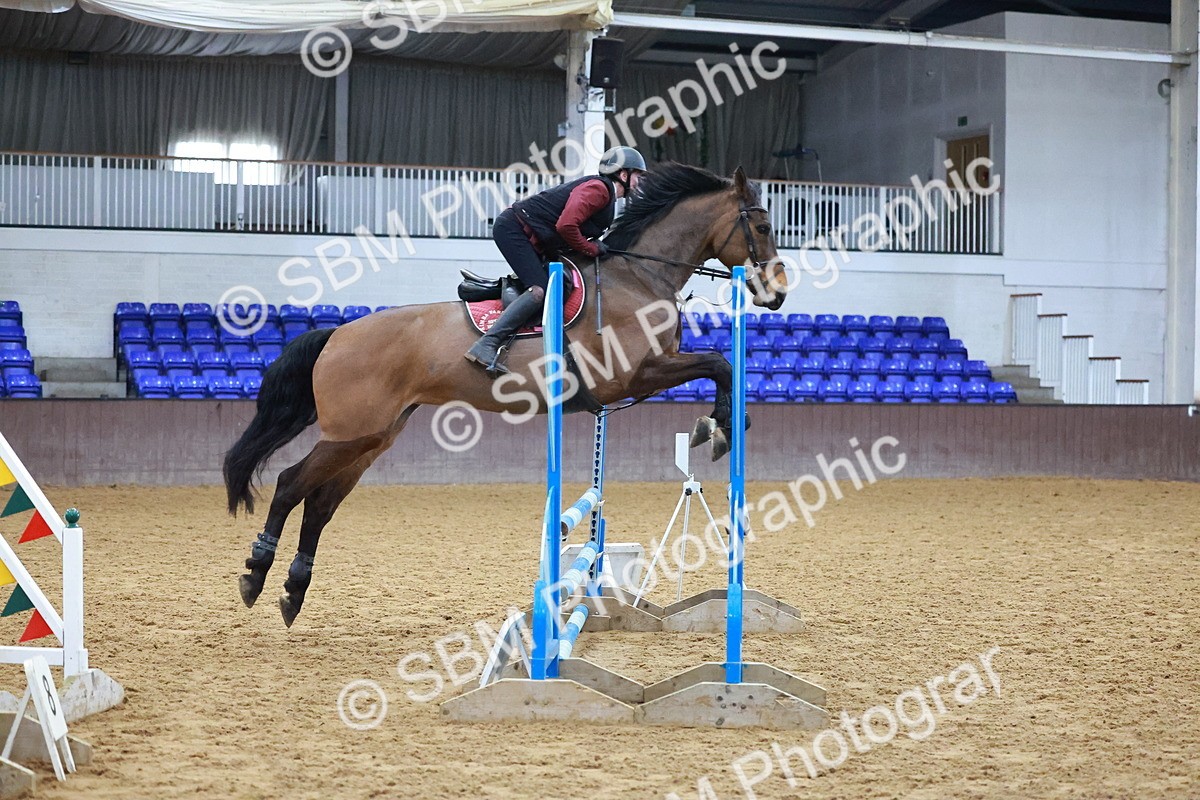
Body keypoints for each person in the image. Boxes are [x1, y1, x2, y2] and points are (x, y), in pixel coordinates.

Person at [465, 146, 648, 375]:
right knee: (540, 291)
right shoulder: (599, 190)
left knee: (561, 284)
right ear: (624, 174)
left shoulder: (607, 197)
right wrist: (591, 248)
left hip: (534, 237)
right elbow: (566, 225)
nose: (641, 181)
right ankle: (487, 345)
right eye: (639, 175)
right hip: (514, 230)